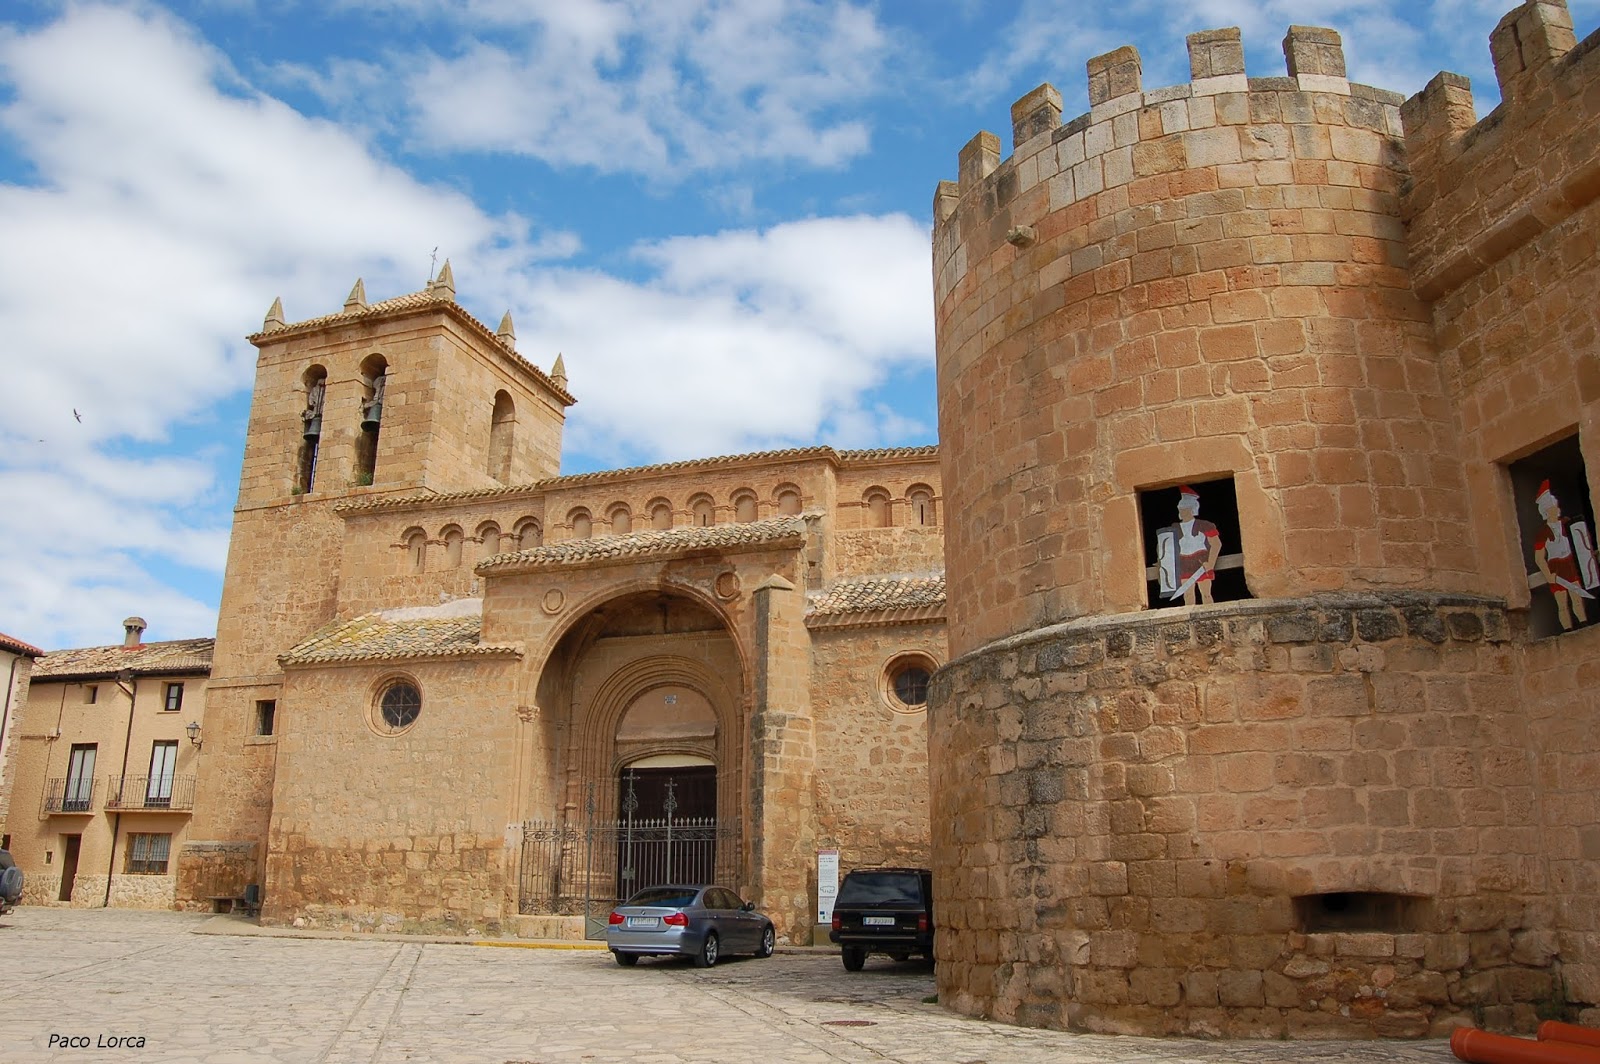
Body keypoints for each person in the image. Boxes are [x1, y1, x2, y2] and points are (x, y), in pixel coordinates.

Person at [1532, 480, 1597, 630]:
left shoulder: (1567, 524)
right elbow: (1539, 557)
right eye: (1553, 508)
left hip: (1570, 563)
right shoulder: (1543, 534)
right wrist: (1548, 574)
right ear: (1546, 511)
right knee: (1562, 603)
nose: (1557, 509)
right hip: (1556, 566)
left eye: (1556, 506)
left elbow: (1581, 540)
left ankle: (1583, 624)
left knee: (1577, 599)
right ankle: (1568, 629)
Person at [1157, 485, 1222, 606]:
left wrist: (1211, 563)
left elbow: (1216, 544)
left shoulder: (1205, 525)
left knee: (1206, 593)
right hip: (1184, 562)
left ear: (1192, 509)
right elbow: (1169, 548)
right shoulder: (1175, 527)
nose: (1182, 512)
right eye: (1180, 509)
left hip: (1201, 560)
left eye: (1185, 509)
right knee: (1188, 595)